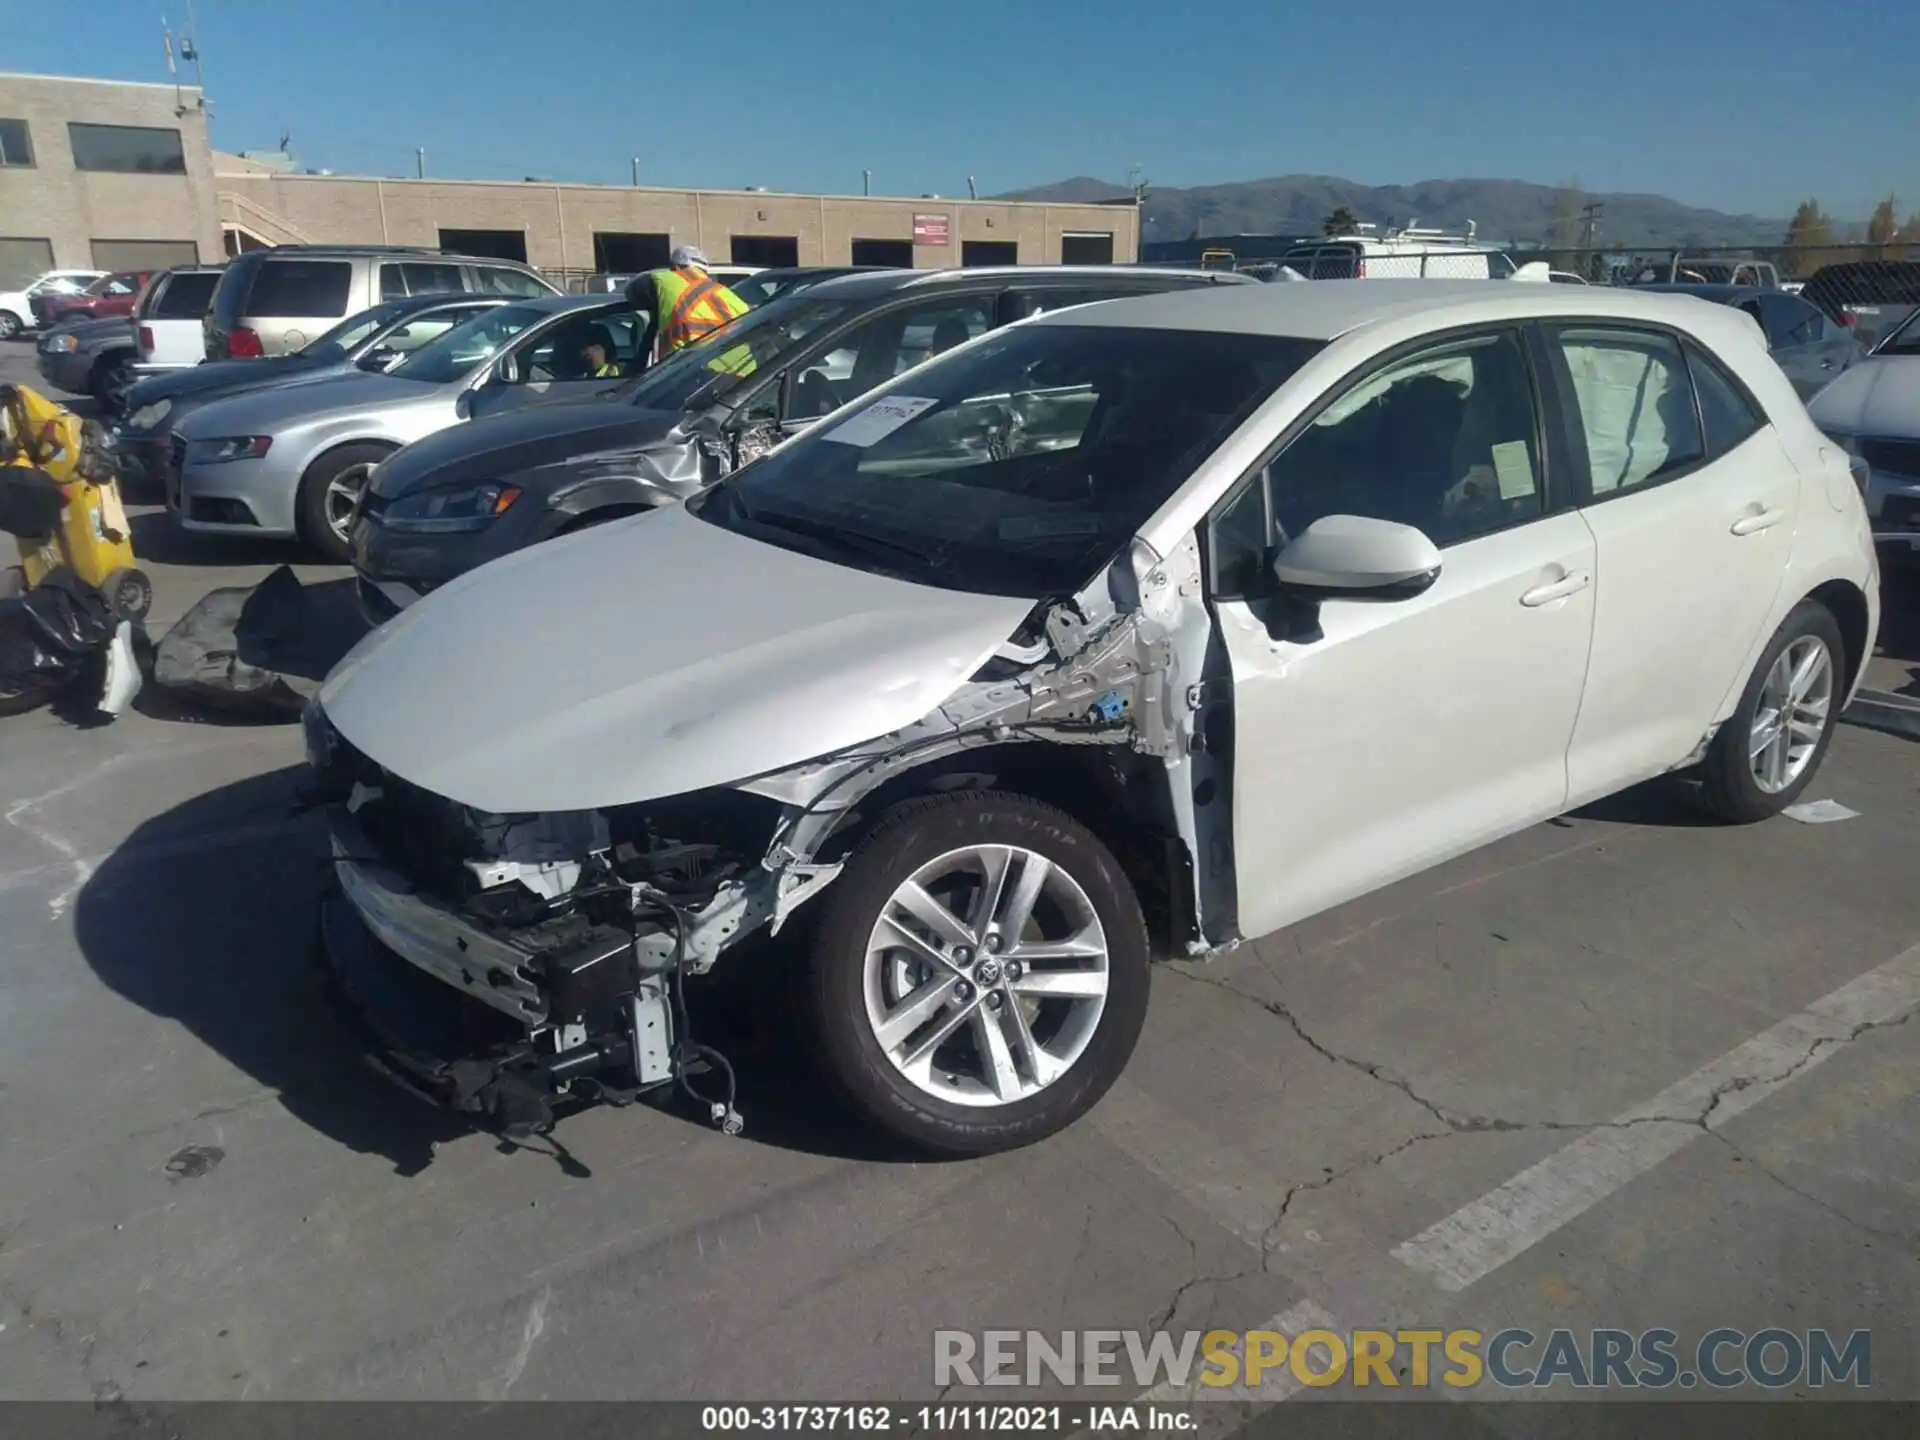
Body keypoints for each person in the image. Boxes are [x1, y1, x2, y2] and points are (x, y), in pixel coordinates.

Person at [631, 246, 749, 364]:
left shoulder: (665, 280)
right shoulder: (731, 297)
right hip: (745, 374)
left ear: (676, 267)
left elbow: (632, 290)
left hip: (693, 372)